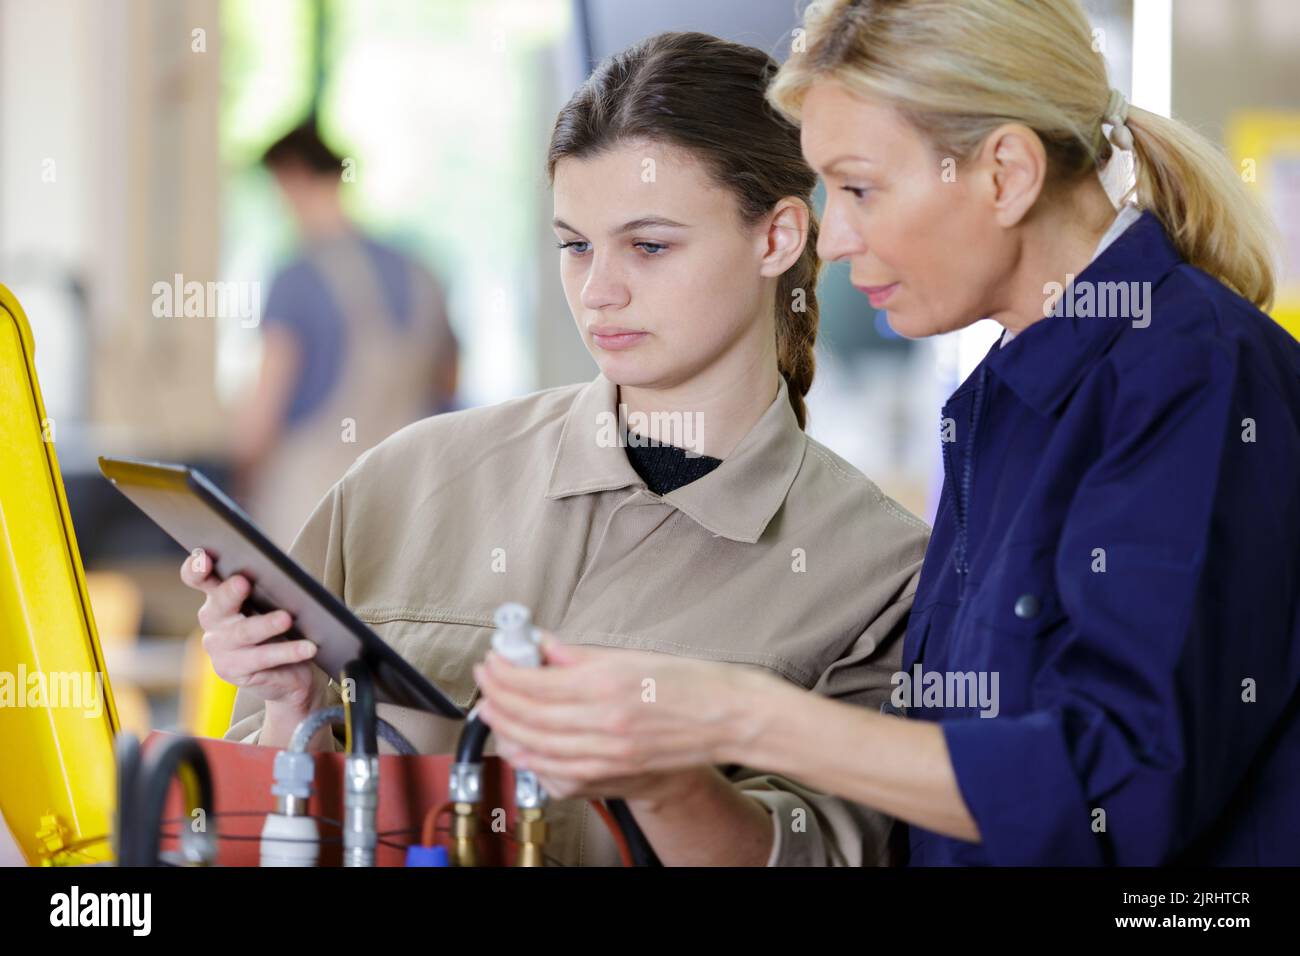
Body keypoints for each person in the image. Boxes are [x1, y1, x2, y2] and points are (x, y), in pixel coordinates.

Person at [474, 0, 1300, 866]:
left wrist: (740, 713)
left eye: (862, 187)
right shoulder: (1007, 403)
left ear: (1005, 173)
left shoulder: (1195, 378)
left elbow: (1119, 792)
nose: (833, 238)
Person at [181, 32, 930, 867]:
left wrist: (668, 780)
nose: (598, 291)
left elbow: (819, 857)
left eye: (649, 246)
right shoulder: (402, 481)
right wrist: (288, 707)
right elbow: (253, 828)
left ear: (778, 239)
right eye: (575, 246)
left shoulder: (881, 573)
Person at [234, 120, 459, 547]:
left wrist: (239, 475)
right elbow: (448, 381)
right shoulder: (419, 270)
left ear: (292, 176)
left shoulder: (295, 277)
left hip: (310, 505)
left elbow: (263, 409)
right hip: (405, 499)